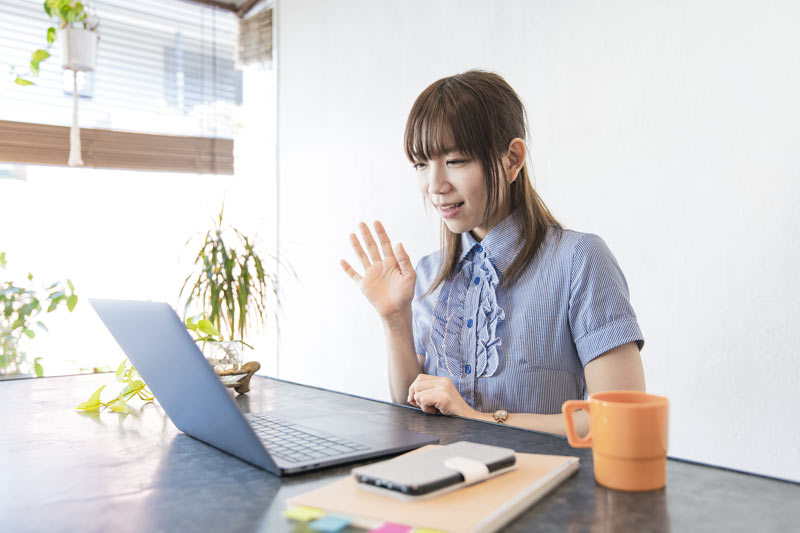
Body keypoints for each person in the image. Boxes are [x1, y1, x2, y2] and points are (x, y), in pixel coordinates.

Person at [340, 70, 645, 436]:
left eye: (455, 161)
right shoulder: (428, 272)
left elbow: (620, 422)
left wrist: (476, 418)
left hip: (542, 475)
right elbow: (410, 410)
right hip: (442, 471)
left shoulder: (579, 260)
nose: (434, 186)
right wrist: (395, 320)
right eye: (421, 164)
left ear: (512, 159)